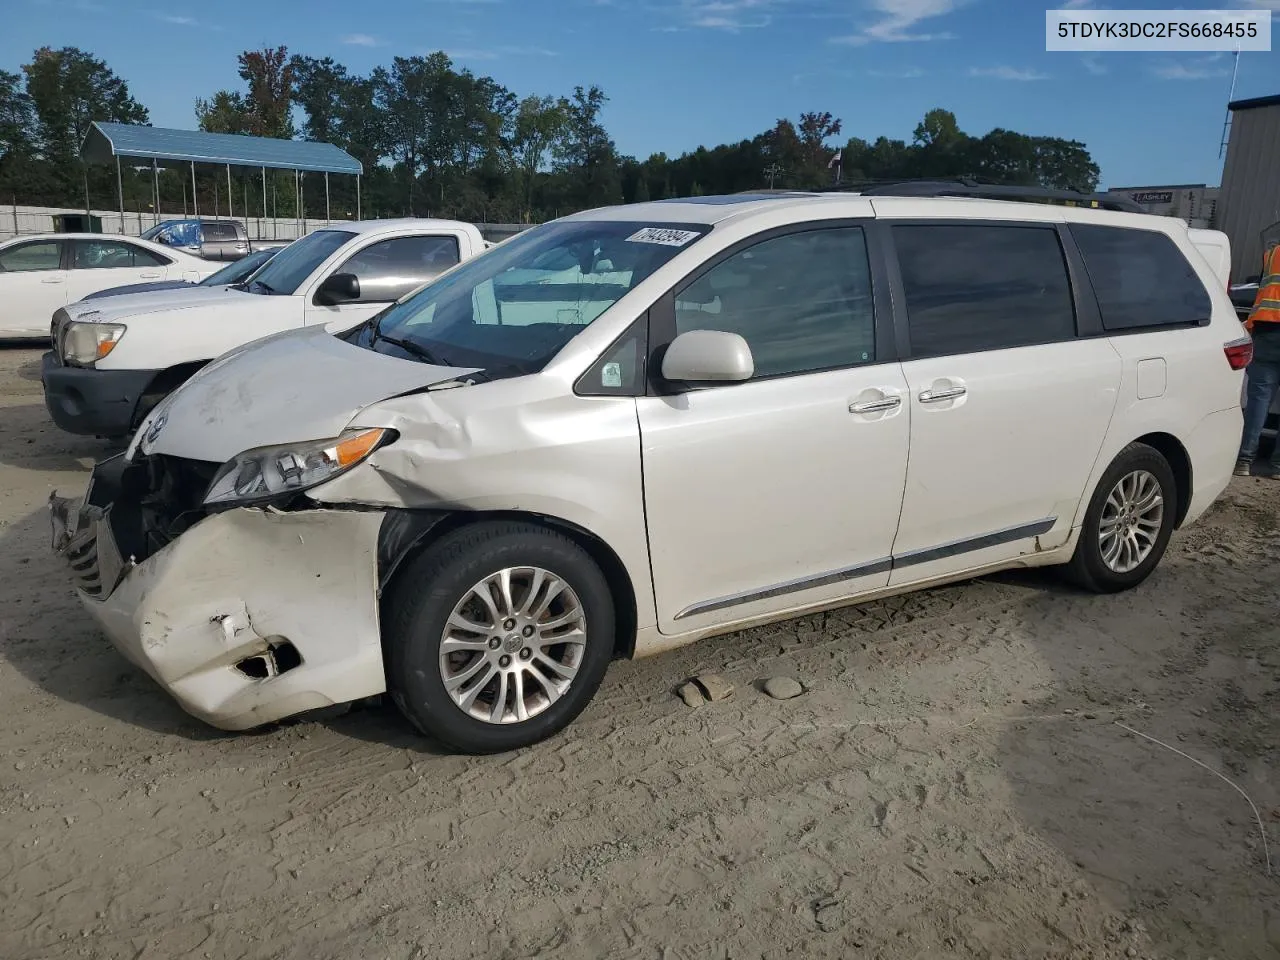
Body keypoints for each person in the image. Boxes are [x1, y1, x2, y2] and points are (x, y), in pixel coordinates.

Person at [1236, 238, 1280, 477]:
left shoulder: (1272, 254)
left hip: (1268, 331)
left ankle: (1244, 460)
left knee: (1258, 401)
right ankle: (1278, 467)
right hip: (1268, 331)